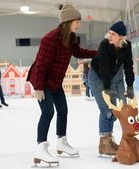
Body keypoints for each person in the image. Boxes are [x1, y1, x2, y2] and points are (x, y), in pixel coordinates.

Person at [27, 3, 97, 166]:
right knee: (48, 112)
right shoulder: (50, 39)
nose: (79, 24)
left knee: (63, 110)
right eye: (77, 21)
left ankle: (61, 142)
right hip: (42, 79)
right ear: (68, 21)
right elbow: (42, 65)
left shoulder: (70, 37)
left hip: (55, 81)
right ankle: (40, 147)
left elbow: (78, 52)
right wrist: (38, 88)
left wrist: (97, 53)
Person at [88, 21, 135, 156]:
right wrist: (108, 88)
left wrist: (130, 86)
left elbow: (128, 66)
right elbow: (104, 67)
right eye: (109, 32)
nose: (110, 36)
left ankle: (109, 139)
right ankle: (103, 142)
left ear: (121, 37)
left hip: (111, 78)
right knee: (106, 109)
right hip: (97, 77)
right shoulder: (104, 44)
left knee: (114, 111)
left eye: (113, 34)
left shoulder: (127, 46)